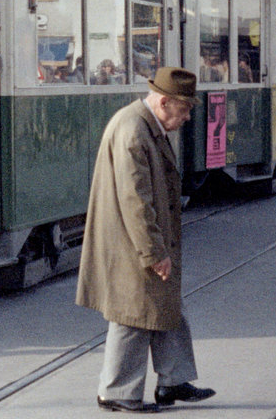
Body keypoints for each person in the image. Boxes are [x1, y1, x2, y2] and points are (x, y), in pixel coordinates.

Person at [75, 67, 215, 413]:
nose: (186, 118)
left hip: (138, 239)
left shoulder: (144, 123)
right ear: (165, 102)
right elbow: (135, 199)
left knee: (166, 305)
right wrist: (153, 251)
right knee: (133, 314)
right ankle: (116, 391)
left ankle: (173, 380)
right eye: (183, 110)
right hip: (131, 243)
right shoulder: (133, 129)